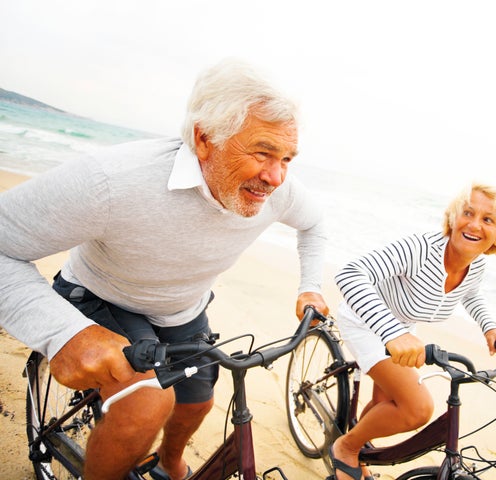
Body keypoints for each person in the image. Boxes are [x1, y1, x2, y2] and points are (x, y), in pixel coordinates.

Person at [0, 58, 329, 480]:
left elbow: (315, 224)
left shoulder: (277, 190)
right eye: (263, 152)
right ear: (203, 138)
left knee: (198, 401)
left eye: (287, 158)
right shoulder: (112, 182)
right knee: (146, 405)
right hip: (101, 296)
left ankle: (170, 462)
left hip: (180, 309)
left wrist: (310, 286)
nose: (276, 177)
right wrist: (63, 332)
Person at [330, 182, 496, 480]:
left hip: (402, 327)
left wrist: (490, 327)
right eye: (467, 213)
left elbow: (470, 294)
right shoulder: (420, 248)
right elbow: (350, 274)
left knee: (386, 403)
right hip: (366, 321)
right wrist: (393, 333)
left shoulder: (476, 265)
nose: (473, 224)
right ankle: (345, 447)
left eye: (487, 219)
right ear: (453, 217)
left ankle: (358, 445)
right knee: (416, 408)